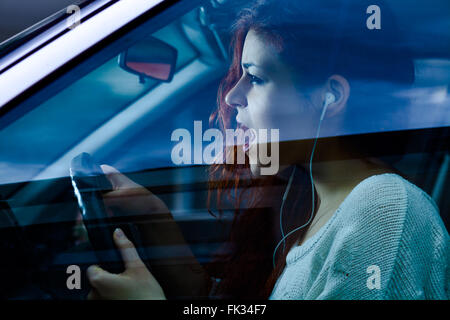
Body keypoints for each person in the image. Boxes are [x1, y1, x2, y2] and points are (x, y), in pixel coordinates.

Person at [86, 0, 449, 299]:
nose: (232, 96)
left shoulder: (383, 211)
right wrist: (154, 218)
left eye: (256, 78)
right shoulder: (303, 198)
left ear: (331, 97)